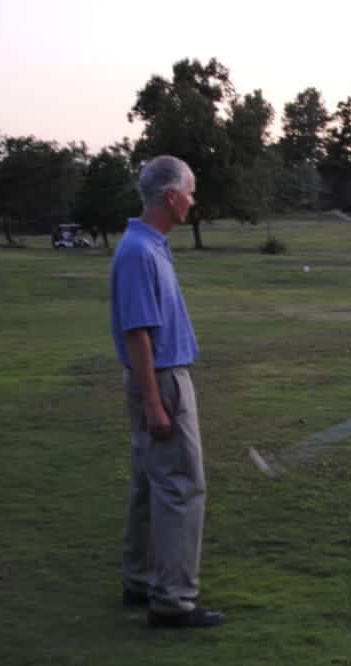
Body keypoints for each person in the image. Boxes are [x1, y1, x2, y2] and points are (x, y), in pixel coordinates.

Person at [110, 155, 224, 627]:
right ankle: (173, 599)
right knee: (181, 486)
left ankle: (140, 579)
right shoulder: (139, 251)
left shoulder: (149, 244)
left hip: (158, 377)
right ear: (172, 196)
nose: (194, 202)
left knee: (148, 483)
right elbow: (137, 332)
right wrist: (156, 402)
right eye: (191, 192)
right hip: (160, 378)